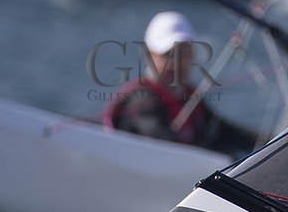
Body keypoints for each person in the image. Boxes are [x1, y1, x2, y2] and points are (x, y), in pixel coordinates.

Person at [103, 11, 260, 157]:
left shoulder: (189, 95)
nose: (176, 63)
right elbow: (164, 144)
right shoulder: (141, 99)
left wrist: (270, 142)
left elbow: (224, 132)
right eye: (167, 55)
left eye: (183, 54)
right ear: (149, 55)